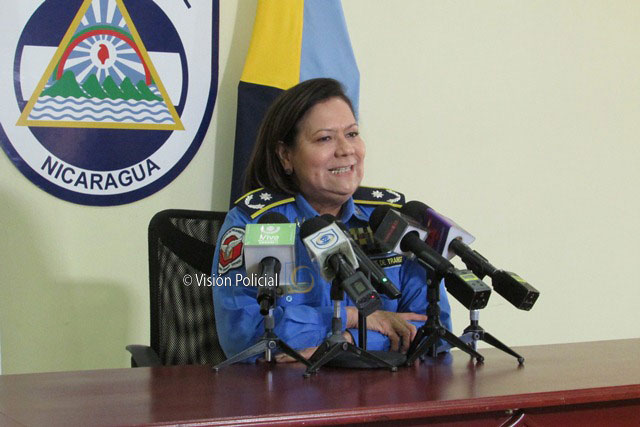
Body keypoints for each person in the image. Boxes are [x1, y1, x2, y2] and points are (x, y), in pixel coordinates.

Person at [211, 78, 451, 362]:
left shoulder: (390, 219)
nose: (346, 149)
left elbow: (434, 330)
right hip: (286, 387)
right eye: (325, 138)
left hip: (385, 384)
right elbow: (245, 335)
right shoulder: (257, 223)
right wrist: (353, 317)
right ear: (286, 155)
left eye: (352, 134)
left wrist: (345, 343)